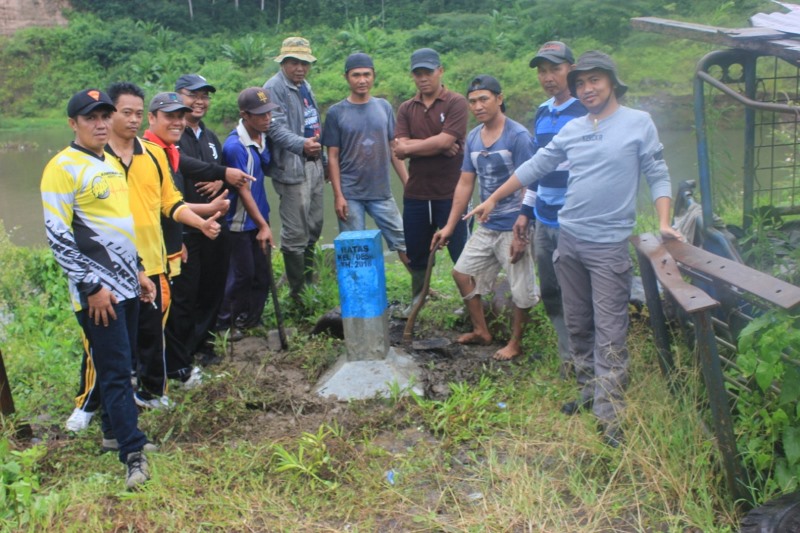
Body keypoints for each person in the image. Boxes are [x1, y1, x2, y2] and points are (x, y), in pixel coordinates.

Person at [465, 51, 683, 446]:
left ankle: (610, 413)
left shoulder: (638, 123)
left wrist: (665, 221)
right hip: (570, 239)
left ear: (612, 81)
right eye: (581, 83)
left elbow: (657, 172)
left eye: (595, 80)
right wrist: (493, 199)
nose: (587, 89)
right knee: (579, 323)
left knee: (611, 330)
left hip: (609, 245)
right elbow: (534, 167)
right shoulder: (574, 128)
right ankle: (588, 390)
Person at [64, 86, 230, 426]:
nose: (133, 119)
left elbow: (170, 203)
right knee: (101, 342)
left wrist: (201, 223)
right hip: (107, 268)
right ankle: (88, 404)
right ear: (110, 115)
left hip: (151, 264)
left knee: (152, 334)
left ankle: (151, 393)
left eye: (137, 113)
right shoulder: (95, 158)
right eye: (125, 112)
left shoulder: (153, 155)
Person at [42, 88, 153, 489]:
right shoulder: (62, 167)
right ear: (73, 124)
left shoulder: (109, 161)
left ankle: (111, 434)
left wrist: (139, 270)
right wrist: (91, 287)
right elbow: (57, 236)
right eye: (91, 117)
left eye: (105, 115)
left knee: (123, 366)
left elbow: (118, 226)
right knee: (116, 372)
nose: (101, 123)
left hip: (126, 286)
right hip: (98, 294)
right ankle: (133, 453)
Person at [431, 75, 537, 361]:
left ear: (499, 99)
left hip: (514, 225)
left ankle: (516, 343)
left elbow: (530, 181)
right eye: (473, 101)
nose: (477, 106)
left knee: (520, 289)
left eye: (484, 99)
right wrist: (450, 226)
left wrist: (524, 227)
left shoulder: (517, 136)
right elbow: (465, 184)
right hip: (486, 226)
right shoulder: (474, 137)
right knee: (461, 273)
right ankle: (482, 331)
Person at [513, 41, 586, 375]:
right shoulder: (543, 112)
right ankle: (568, 356)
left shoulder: (587, 110)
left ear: (571, 68)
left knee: (581, 292)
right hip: (544, 218)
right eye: (542, 71)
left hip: (577, 221)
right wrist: (526, 212)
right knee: (552, 291)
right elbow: (537, 168)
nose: (548, 77)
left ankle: (591, 359)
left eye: (555, 68)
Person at [163, 74, 241, 374]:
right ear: (177, 97)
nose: (199, 101)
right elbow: (179, 174)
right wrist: (221, 172)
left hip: (215, 224)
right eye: (192, 94)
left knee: (212, 288)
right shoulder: (172, 137)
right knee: (185, 294)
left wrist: (221, 180)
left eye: (205, 96)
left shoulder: (209, 137)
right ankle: (180, 355)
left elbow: (222, 175)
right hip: (186, 228)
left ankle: (203, 345)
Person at [394, 48, 469, 314]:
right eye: (418, 74)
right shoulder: (406, 108)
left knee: (462, 252)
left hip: (451, 193)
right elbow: (399, 146)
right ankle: (419, 300)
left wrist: (427, 144)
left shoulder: (456, 102)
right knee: (417, 254)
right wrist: (438, 144)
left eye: (428, 72)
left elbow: (446, 141)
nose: (423, 78)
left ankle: (471, 304)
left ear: (440, 71)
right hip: (416, 193)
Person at [321, 53, 409, 264]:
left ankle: (421, 290)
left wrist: (408, 182)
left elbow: (393, 148)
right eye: (356, 75)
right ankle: (358, 294)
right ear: (346, 77)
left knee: (404, 240)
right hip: (350, 193)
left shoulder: (384, 107)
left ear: (373, 75)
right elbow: (332, 157)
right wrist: (338, 196)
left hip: (382, 191)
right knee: (354, 247)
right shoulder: (336, 112)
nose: (362, 80)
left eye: (366, 75)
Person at [263, 37, 325, 304]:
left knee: (314, 225)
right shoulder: (274, 88)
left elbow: (312, 121)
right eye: (294, 62)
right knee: (295, 232)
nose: (300, 68)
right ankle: (298, 295)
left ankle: (308, 284)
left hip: (313, 164)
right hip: (291, 168)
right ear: (283, 62)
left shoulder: (304, 85)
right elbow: (274, 128)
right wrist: (303, 145)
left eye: (304, 63)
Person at [218, 87, 276, 331]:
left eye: (269, 114)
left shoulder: (262, 137)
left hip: (260, 217)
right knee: (243, 274)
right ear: (244, 115)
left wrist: (264, 222)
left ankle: (251, 320)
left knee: (262, 274)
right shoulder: (235, 147)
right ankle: (225, 322)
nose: (267, 119)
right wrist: (262, 225)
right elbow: (243, 190)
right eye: (260, 115)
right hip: (240, 222)